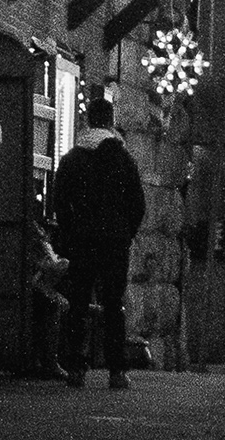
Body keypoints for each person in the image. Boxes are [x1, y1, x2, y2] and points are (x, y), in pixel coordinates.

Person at [42, 103, 147, 387]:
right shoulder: (124, 159)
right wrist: (126, 232)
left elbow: (60, 200)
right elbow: (138, 203)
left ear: (88, 120)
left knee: (79, 302)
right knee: (113, 304)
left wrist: (70, 231)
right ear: (111, 121)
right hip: (114, 241)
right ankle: (117, 370)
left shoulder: (73, 158)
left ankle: (76, 366)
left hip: (82, 240)